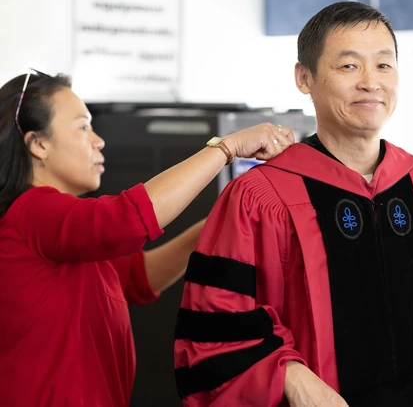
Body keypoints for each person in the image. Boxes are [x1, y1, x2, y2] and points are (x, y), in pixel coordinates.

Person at [173, 1, 413, 407]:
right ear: (304, 77)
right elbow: (218, 327)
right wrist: (288, 374)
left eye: (384, 65)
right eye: (348, 66)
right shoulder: (259, 198)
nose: (370, 83)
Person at [0, 68, 295, 407]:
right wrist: (226, 149)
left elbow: (136, 278)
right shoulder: (32, 212)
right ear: (38, 145)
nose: (99, 140)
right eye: (83, 127)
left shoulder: (59, 232)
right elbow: (125, 221)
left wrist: (216, 225)